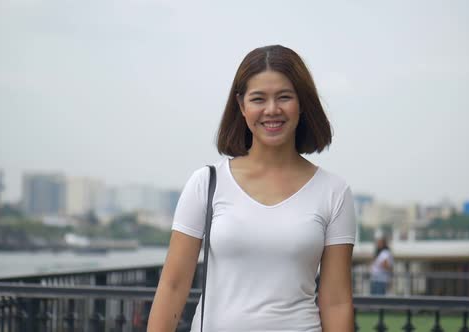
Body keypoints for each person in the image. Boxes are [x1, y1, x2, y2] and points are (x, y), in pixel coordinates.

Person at [148, 45, 357, 331]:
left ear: (302, 103)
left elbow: (336, 301)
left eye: (284, 97)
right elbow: (173, 286)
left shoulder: (334, 191)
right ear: (242, 106)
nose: (272, 110)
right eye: (258, 98)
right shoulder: (207, 183)